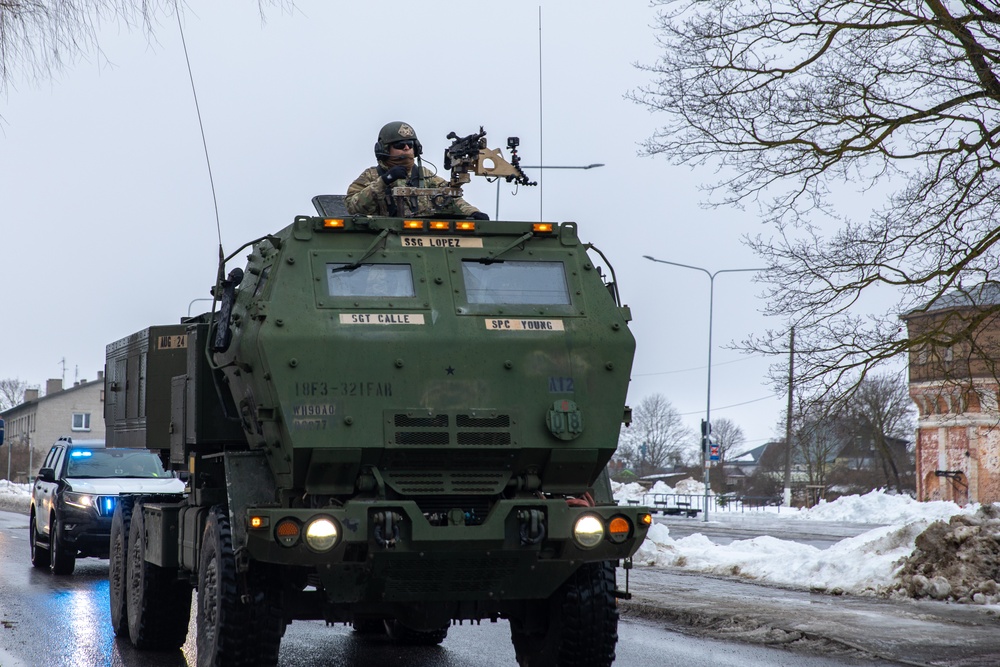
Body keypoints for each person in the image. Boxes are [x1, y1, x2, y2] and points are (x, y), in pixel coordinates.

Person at [346, 121, 490, 219]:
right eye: (400, 145)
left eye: (410, 144)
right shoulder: (372, 175)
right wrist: (384, 181)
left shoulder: (425, 175)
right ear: (384, 149)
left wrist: (473, 212)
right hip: (386, 238)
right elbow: (353, 207)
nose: (406, 148)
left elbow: (451, 197)